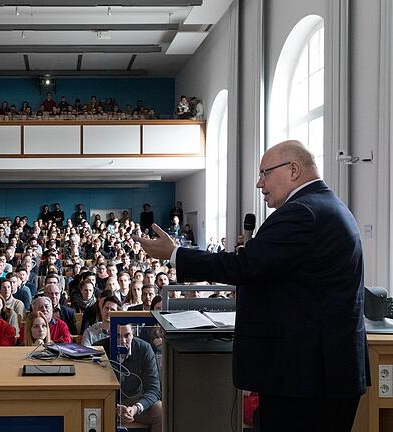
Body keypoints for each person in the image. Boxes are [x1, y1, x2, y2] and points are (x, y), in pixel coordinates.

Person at [137, 140, 367, 432]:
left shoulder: (303, 212)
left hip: (305, 377)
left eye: (264, 173)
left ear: (293, 170)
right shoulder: (327, 207)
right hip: (322, 370)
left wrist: (175, 253)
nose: (259, 183)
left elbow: (242, 267)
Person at [95, 324, 162, 432]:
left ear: (133, 333)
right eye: (117, 336)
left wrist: (135, 408)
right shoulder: (98, 348)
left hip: (134, 402)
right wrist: (113, 407)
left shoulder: (144, 349)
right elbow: (93, 388)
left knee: (160, 410)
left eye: (127, 335)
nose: (122, 340)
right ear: (110, 334)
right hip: (107, 402)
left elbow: (154, 389)